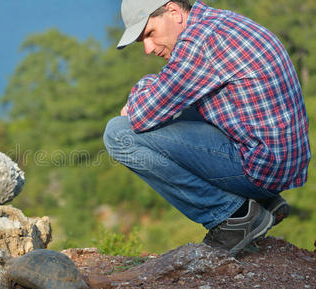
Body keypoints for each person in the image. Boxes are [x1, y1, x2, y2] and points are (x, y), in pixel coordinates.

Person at [103, 0, 311, 256]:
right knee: (175, 108)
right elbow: (170, 90)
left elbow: (143, 115)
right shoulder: (219, 22)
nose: (147, 48)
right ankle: (263, 203)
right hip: (278, 159)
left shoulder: (200, 40)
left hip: (261, 168)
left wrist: (137, 96)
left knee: (119, 134)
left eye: (149, 34)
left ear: (173, 12)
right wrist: (150, 95)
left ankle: (234, 216)